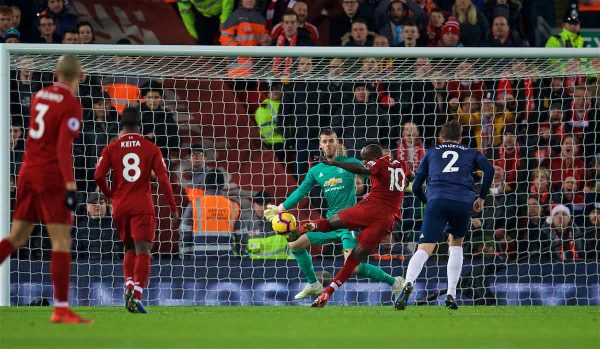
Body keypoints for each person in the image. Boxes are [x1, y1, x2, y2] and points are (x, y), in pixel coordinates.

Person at [0, 55, 90, 323]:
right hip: (51, 175)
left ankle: (62, 308)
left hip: (27, 170)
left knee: (16, 237)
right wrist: (70, 184)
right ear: (80, 76)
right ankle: (61, 308)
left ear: (55, 72)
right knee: (61, 241)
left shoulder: (39, 96)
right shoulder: (72, 105)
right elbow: (63, 147)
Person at [264, 130, 404, 300]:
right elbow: (301, 192)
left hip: (350, 223)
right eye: (325, 141)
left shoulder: (351, 163)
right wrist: (281, 208)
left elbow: (376, 175)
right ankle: (313, 284)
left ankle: (395, 282)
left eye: (331, 141)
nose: (328, 144)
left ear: (337, 143)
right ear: (320, 144)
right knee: (295, 245)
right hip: (330, 221)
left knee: (354, 267)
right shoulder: (316, 171)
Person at [296, 143, 412, 308]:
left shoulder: (379, 162)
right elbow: (412, 179)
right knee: (353, 261)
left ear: (373, 157)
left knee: (334, 225)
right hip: (386, 220)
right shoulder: (403, 165)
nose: (364, 162)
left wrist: (334, 163)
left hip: (371, 208)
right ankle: (326, 294)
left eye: (365, 159)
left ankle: (303, 229)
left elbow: (362, 170)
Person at [395, 119, 494, 311]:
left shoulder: (432, 152)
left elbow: (415, 186)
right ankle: (451, 294)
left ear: (441, 137)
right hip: (463, 201)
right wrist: (481, 197)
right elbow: (489, 169)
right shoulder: (471, 152)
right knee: (456, 244)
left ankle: (408, 283)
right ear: (461, 137)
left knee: (424, 248)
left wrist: (428, 201)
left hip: (437, 198)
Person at [94, 107, 178, 314]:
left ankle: (129, 285)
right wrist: (172, 205)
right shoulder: (151, 148)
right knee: (143, 251)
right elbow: (163, 179)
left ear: (121, 124)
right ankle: (137, 295)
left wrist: (109, 194)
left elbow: (97, 175)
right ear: (140, 124)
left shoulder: (111, 148)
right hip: (142, 206)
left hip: (120, 206)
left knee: (129, 249)